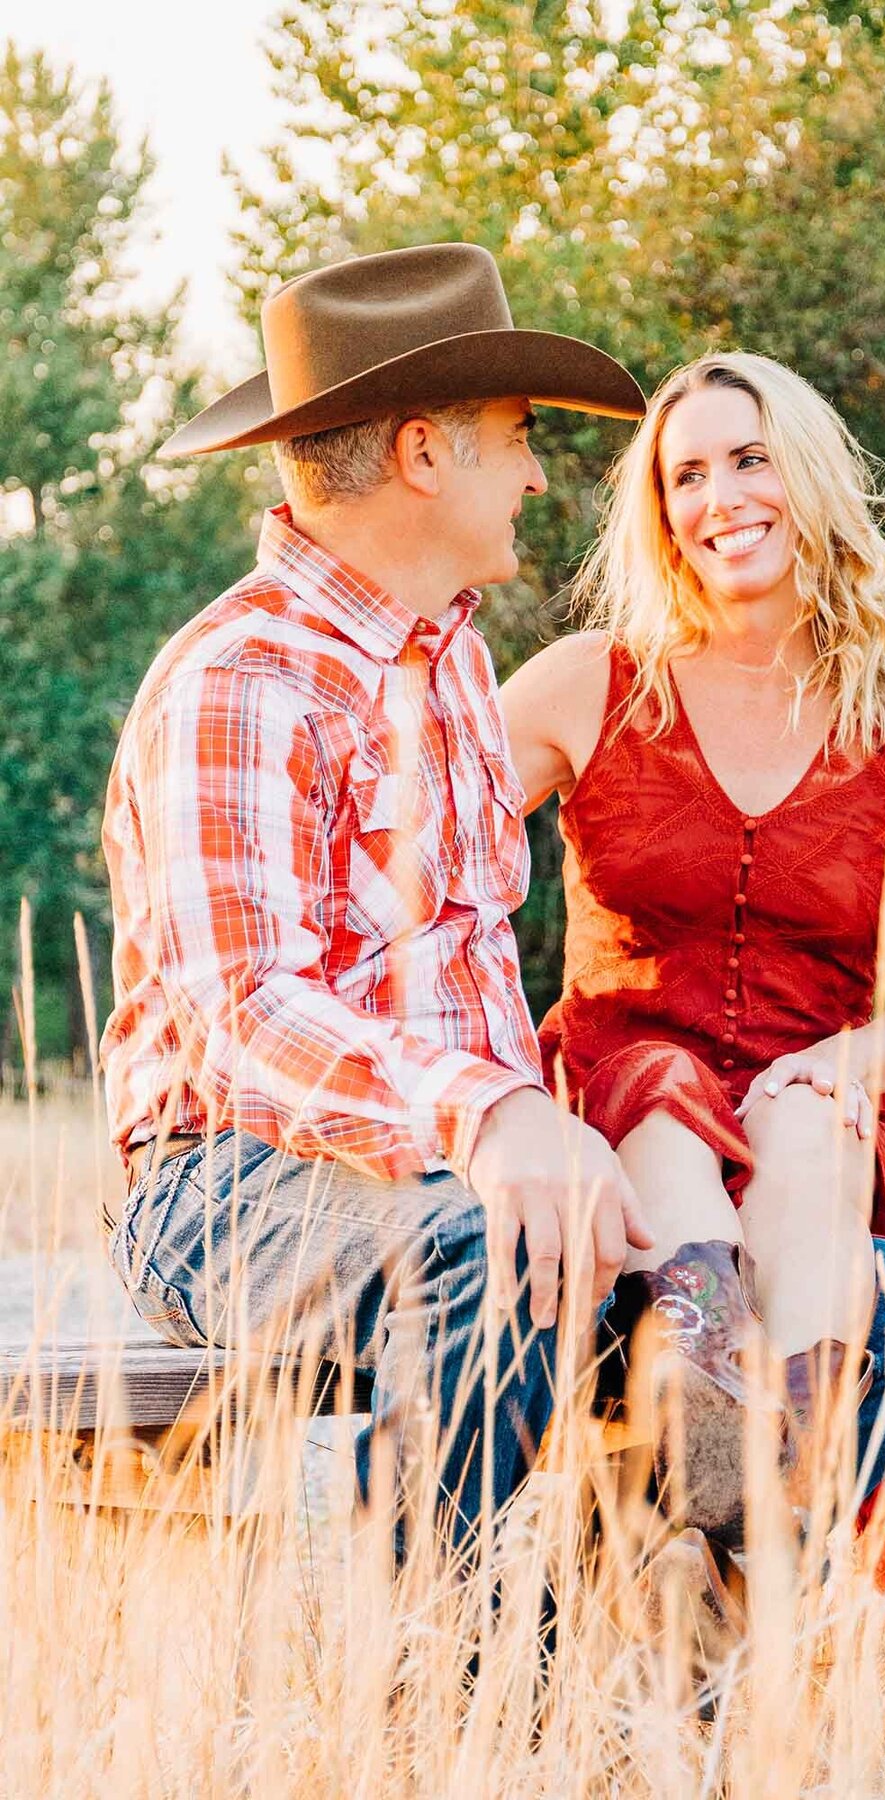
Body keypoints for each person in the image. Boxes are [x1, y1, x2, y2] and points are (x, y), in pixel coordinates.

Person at [501, 351, 885, 1732]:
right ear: (659, 514)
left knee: (799, 1109)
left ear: (807, 480)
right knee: (670, 1098)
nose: (720, 494)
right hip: (627, 1112)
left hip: (824, 1141)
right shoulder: (585, 682)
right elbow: (416, 867)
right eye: (687, 474)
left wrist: (840, 1067)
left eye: (748, 460)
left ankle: (739, 1539)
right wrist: (494, 1095)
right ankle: (748, 1519)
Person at [99, 242, 656, 1559]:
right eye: (517, 438)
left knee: (852, 1296)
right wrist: (495, 1116)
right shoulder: (239, 682)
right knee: (505, 1262)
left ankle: (669, 1664)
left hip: (450, 1172)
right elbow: (246, 1014)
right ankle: (411, 1685)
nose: (534, 472)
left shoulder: (453, 656)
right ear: (423, 454)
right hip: (223, 1183)